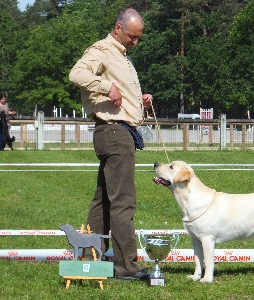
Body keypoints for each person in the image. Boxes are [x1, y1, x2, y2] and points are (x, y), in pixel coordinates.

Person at [69, 8, 153, 281]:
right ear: (118, 28)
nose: (135, 42)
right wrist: (106, 87)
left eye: (139, 38)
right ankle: (126, 266)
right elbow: (76, 74)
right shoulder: (103, 50)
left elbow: (119, 94)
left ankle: (91, 259)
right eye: (131, 36)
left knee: (103, 200)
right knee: (123, 202)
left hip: (114, 132)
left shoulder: (121, 56)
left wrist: (140, 100)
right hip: (116, 134)